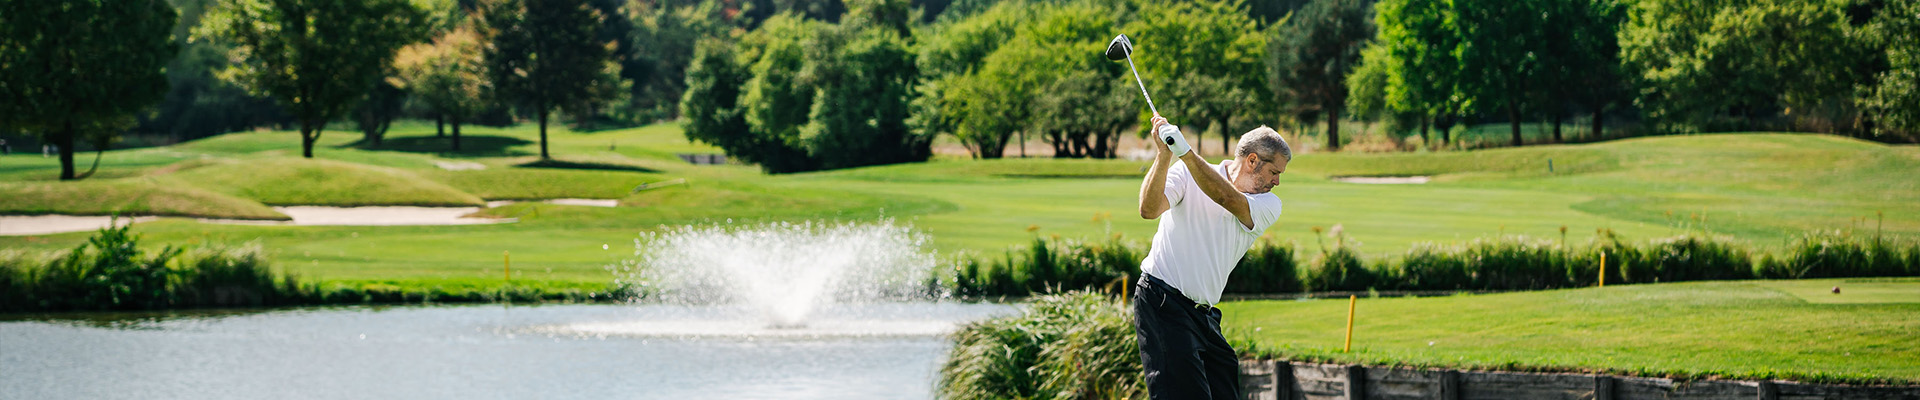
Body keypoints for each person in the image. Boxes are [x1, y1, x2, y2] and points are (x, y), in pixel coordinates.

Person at [1133, 114, 1290, 400]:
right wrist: (1164, 155)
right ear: (1253, 161)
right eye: (1274, 172)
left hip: (1203, 315)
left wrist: (1186, 154)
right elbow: (1149, 209)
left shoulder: (1268, 203)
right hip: (1161, 301)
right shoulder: (1184, 173)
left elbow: (1226, 199)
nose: (1277, 182)